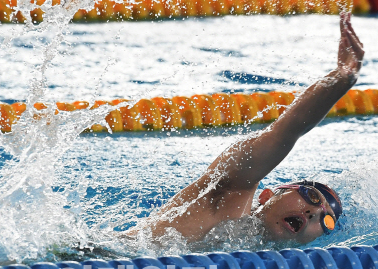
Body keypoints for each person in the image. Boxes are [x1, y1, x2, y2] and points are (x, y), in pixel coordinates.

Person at [131, 12, 364, 245]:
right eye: (311, 197)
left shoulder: (261, 261)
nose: (315, 213)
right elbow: (284, 133)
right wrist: (340, 79)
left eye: (327, 222)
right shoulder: (230, 195)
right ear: (267, 195)